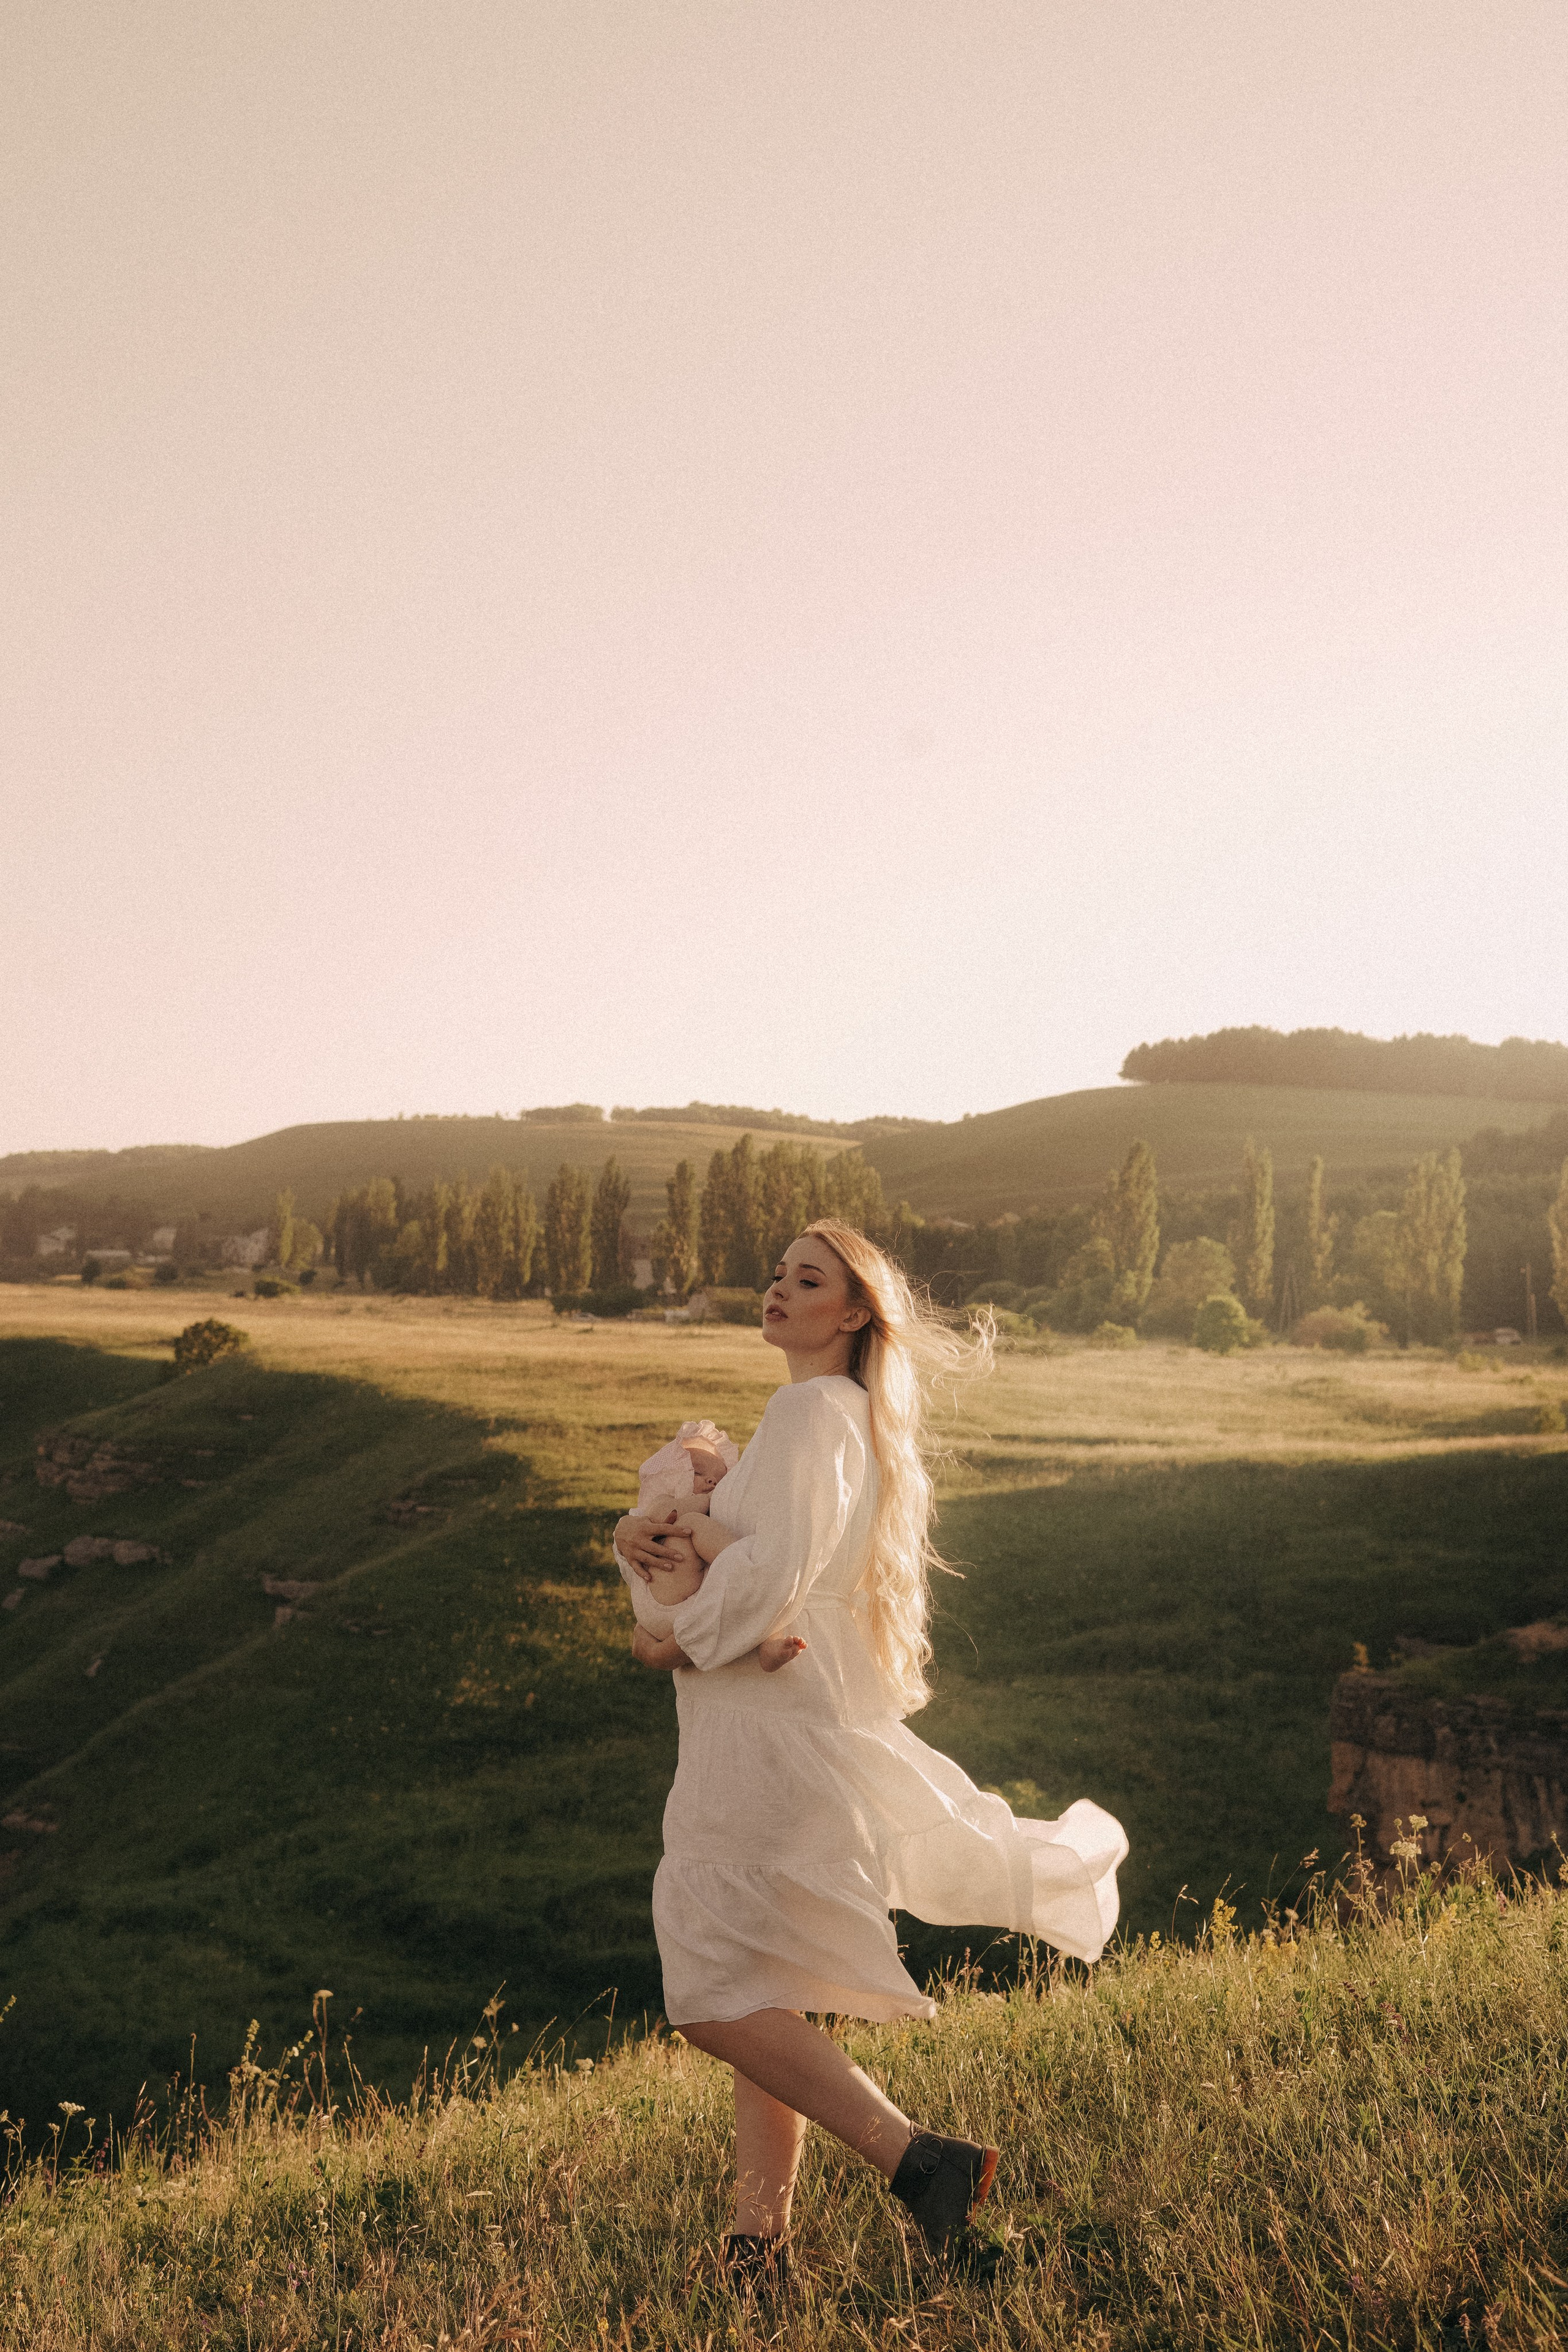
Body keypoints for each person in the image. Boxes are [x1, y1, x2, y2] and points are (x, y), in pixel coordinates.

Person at [615, 1220, 1126, 2287]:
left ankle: (920, 2159)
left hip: (764, 1741)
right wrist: (672, 1576)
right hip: (761, 1723)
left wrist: (685, 1573)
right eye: (777, 1274)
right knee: (765, 1977)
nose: (779, 1290)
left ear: (852, 1314)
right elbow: (726, 1601)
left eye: (809, 1281)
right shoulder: (818, 1420)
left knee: (710, 1992)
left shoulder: (811, 1411)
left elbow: (771, 1578)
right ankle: (758, 2247)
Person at [620, 1419, 805, 1673]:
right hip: (661, 1607)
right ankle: (747, 1564)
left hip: (683, 1609)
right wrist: (707, 1499)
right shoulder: (661, 1504)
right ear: (671, 1477)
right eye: (697, 1473)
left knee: (739, 1600)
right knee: (693, 1525)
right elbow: (671, 1515)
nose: (711, 1482)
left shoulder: (712, 1524)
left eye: (719, 1479)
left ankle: (768, 1644)